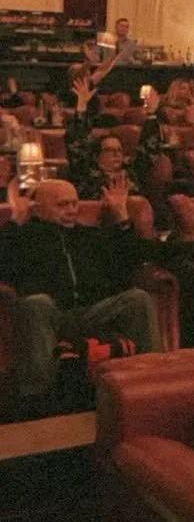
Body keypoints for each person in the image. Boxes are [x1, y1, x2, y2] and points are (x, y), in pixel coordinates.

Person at [2, 175, 164, 417]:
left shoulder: (88, 235)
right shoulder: (25, 237)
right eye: (62, 205)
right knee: (37, 302)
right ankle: (38, 400)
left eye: (74, 203)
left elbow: (132, 261)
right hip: (50, 313)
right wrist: (15, 220)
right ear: (39, 208)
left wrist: (121, 216)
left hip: (92, 310)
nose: (71, 210)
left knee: (138, 298)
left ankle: (152, 384)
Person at [65, 78, 163, 199]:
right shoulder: (86, 172)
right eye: (110, 150)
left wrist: (151, 113)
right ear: (97, 156)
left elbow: (149, 149)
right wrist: (81, 106)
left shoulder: (131, 173)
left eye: (119, 150)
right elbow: (77, 143)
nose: (117, 154)